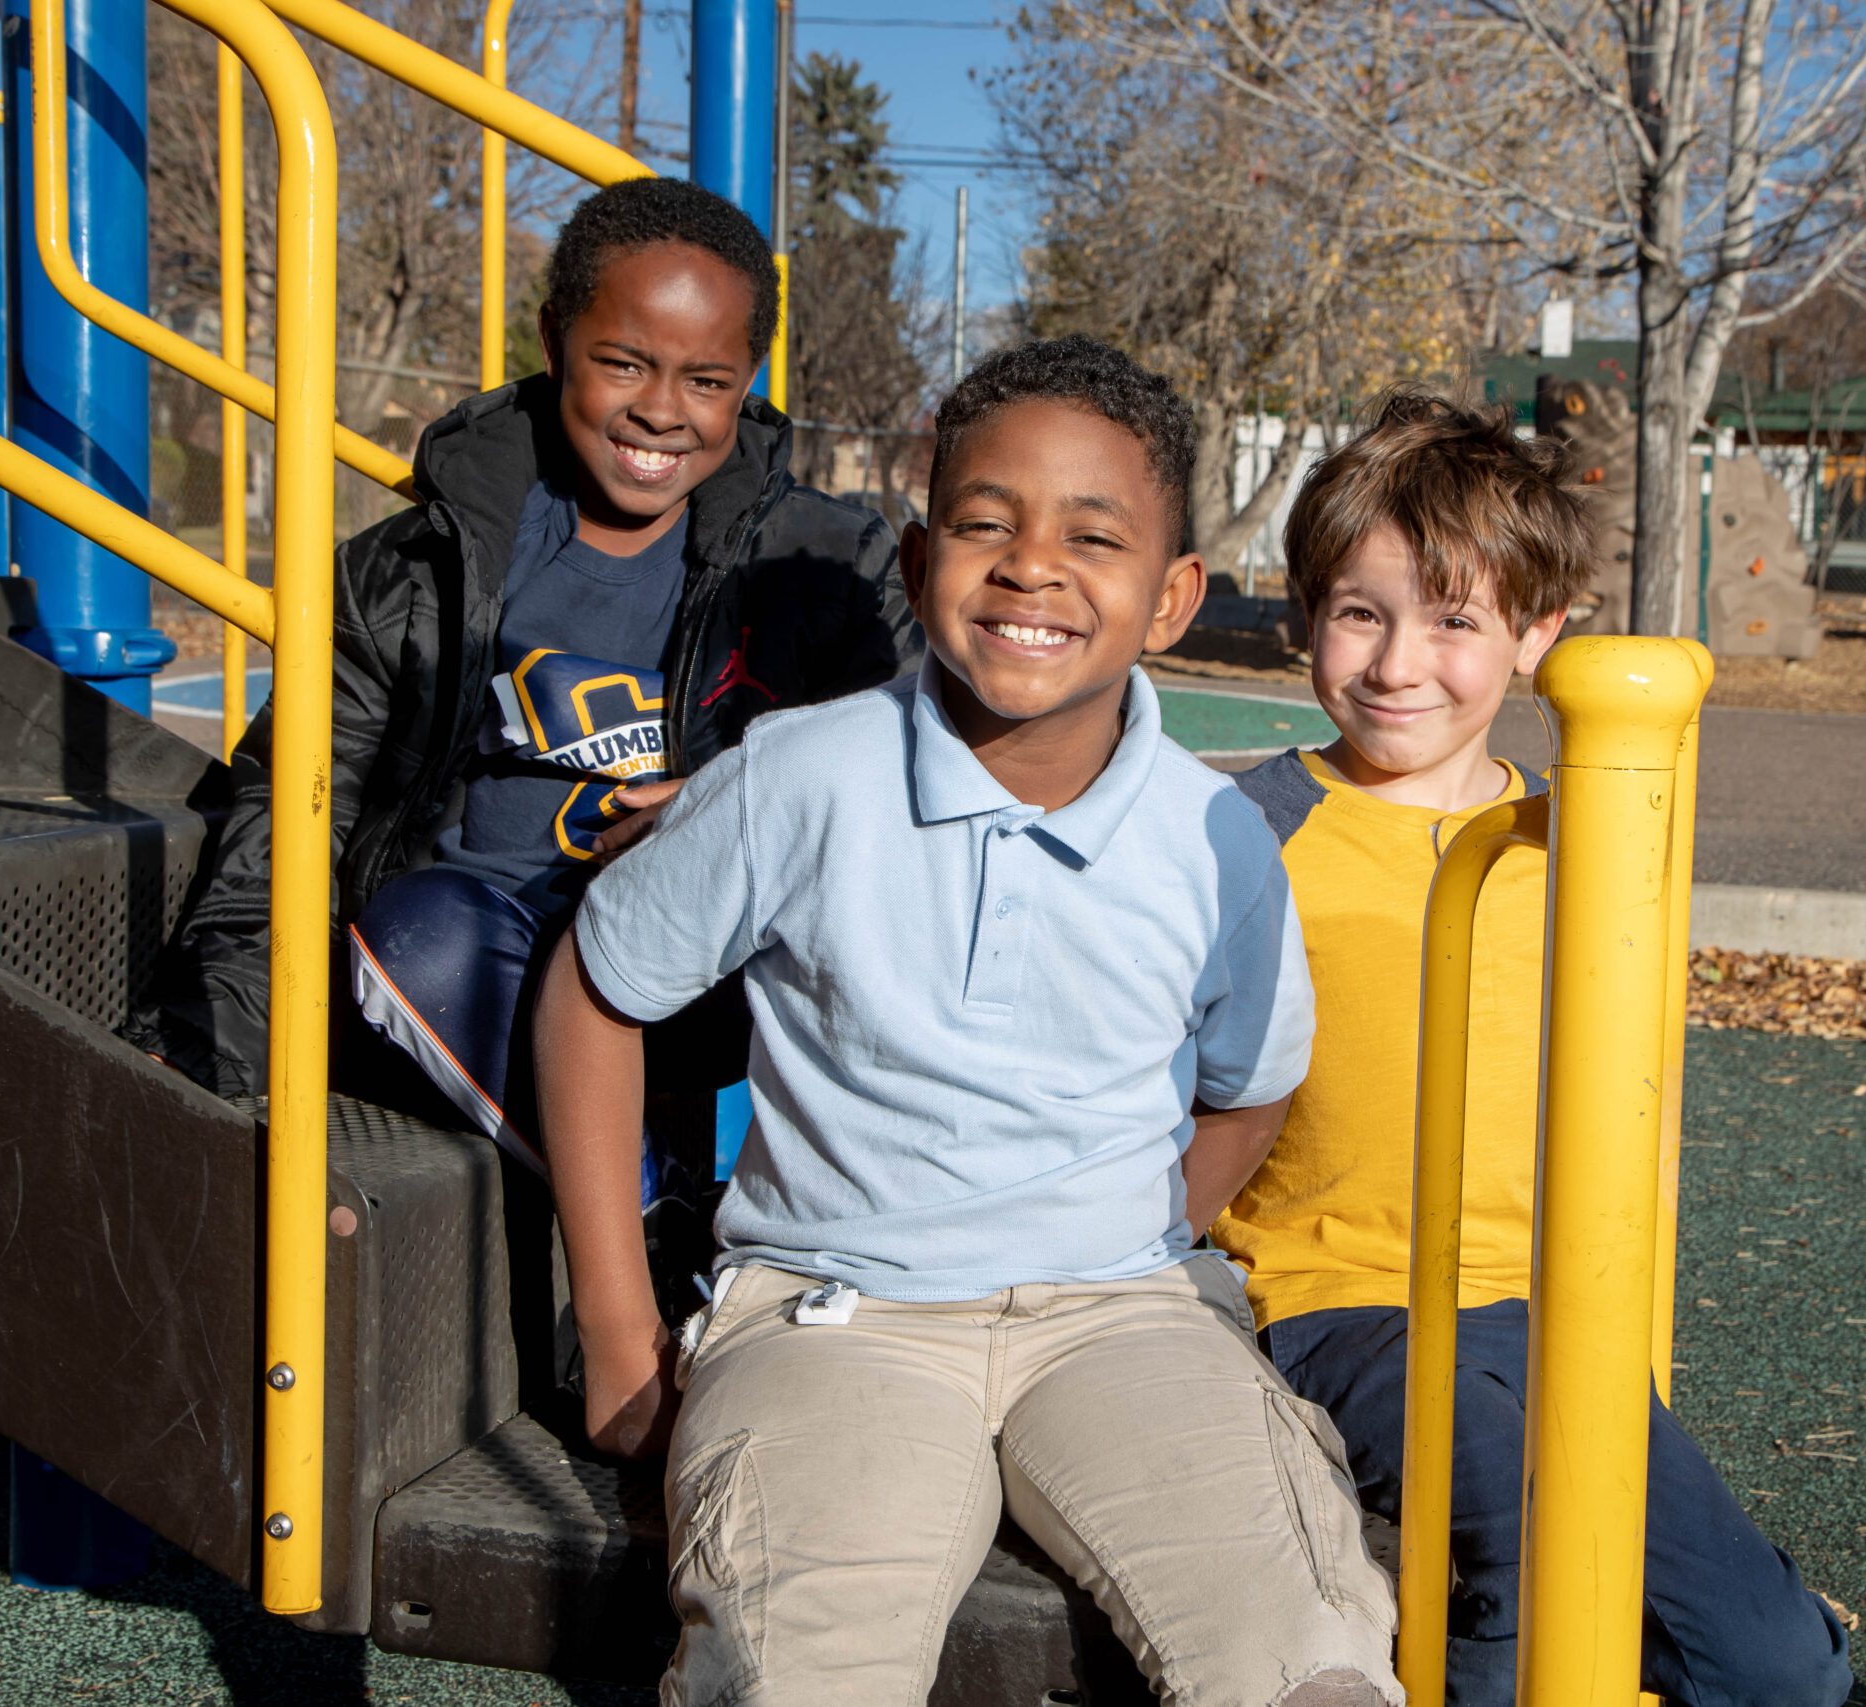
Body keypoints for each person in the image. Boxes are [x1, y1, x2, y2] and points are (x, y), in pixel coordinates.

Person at [533, 336, 1406, 1707]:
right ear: (915, 553)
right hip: (838, 1315)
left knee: (1309, 1659)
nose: (1031, 565)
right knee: (792, 1667)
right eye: (985, 522)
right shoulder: (803, 777)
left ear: (1174, 595)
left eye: (1093, 534)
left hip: (1123, 1319)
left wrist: (1126, 1236)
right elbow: (597, 986)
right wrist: (624, 1332)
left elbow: (1248, 1089)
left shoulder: (1216, 835)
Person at [1211, 391, 1854, 1707]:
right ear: (1305, 613)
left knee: (1777, 1663)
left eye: (1455, 620)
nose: (1399, 664)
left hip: (1564, 1309)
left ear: (1539, 633)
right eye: (1360, 611)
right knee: (1512, 1521)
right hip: (1343, 1297)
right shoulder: (1244, 828)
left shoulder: (1589, 843)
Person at [129, 178, 919, 1213]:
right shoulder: (413, 571)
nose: (661, 410)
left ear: (747, 381)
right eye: (624, 362)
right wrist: (204, 1059)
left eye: (707, 380)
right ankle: (652, 1220)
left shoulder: (826, 571)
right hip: (460, 972)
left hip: (688, 982)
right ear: (554, 341)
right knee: (421, 929)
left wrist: (733, 800)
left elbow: (917, 780)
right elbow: (286, 815)